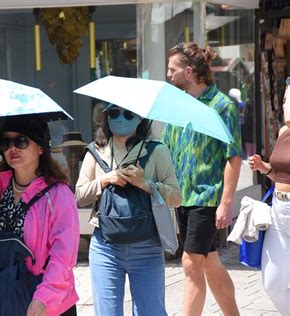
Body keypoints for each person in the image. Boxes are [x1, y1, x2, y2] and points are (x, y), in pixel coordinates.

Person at [0, 115, 79, 316]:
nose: (12, 148)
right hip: (1, 296)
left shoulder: (58, 194)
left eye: (21, 141)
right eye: (5, 142)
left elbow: (63, 256)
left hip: (44, 302)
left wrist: (44, 298)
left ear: (41, 147)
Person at [75, 104, 182, 315]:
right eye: (114, 113)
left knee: (150, 311)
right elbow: (79, 196)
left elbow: (176, 197)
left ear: (140, 119)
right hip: (105, 246)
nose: (120, 119)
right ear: (106, 118)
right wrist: (105, 179)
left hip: (147, 245)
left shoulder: (157, 150)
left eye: (128, 114)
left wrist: (146, 183)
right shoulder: (96, 150)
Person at [163, 42, 242, 316]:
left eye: (172, 69)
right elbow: (165, 149)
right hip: (181, 196)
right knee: (208, 261)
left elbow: (233, 156)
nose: (168, 74)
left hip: (206, 197)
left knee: (190, 262)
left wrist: (226, 202)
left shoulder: (221, 106)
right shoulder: (178, 106)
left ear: (189, 71)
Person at [248, 78, 290, 315]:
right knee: (272, 284)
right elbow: (279, 174)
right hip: (279, 213)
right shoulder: (284, 132)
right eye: (285, 99)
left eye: (287, 99)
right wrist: (264, 167)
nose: (285, 104)